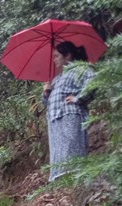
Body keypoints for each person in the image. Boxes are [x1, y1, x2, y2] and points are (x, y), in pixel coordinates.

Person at [42, 41, 95, 181]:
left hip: (70, 115)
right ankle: (62, 181)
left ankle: (77, 178)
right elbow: (46, 103)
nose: (54, 59)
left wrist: (78, 98)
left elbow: (92, 83)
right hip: (54, 119)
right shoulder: (57, 79)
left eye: (57, 56)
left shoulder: (81, 69)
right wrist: (47, 93)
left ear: (68, 55)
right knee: (58, 152)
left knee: (72, 148)